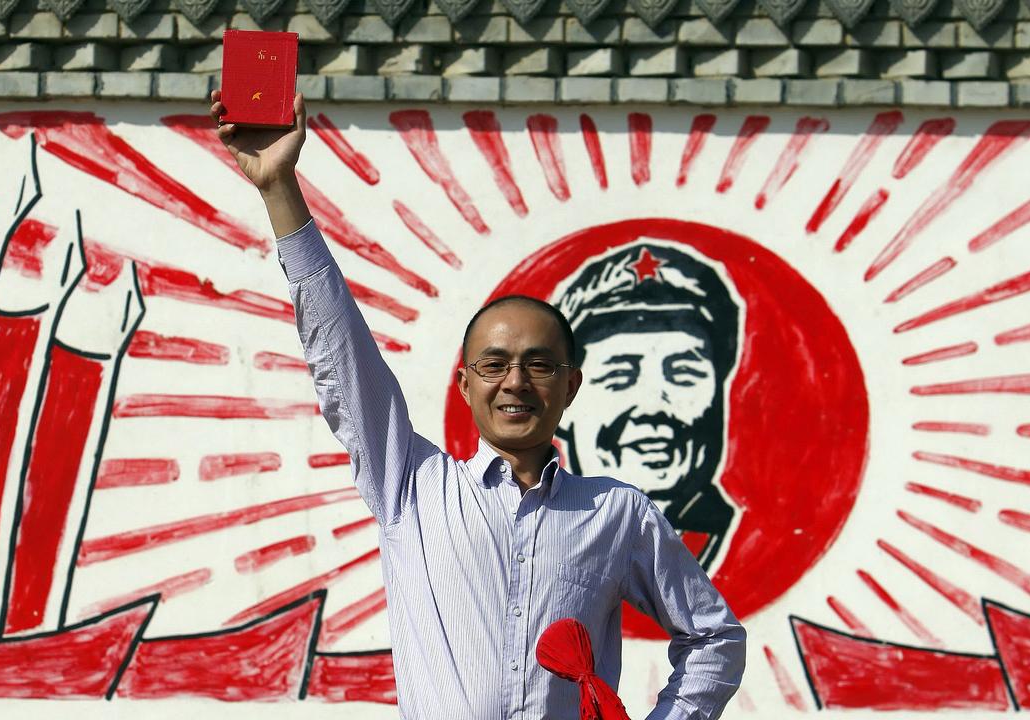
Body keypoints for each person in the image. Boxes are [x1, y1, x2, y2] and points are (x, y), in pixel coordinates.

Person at [209, 90, 745, 720]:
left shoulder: (617, 514)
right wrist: (279, 190)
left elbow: (715, 638)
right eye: (494, 365)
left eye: (539, 366)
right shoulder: (411, 487)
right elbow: (341, 354)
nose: (515, 382)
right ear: (465, 384)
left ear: (571, 387)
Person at [553, 244, 743, 571]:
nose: (653, 404)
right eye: (619, 376)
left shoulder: (765, 549)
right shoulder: (532, 545)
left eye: (684, 373)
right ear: (562, 402)